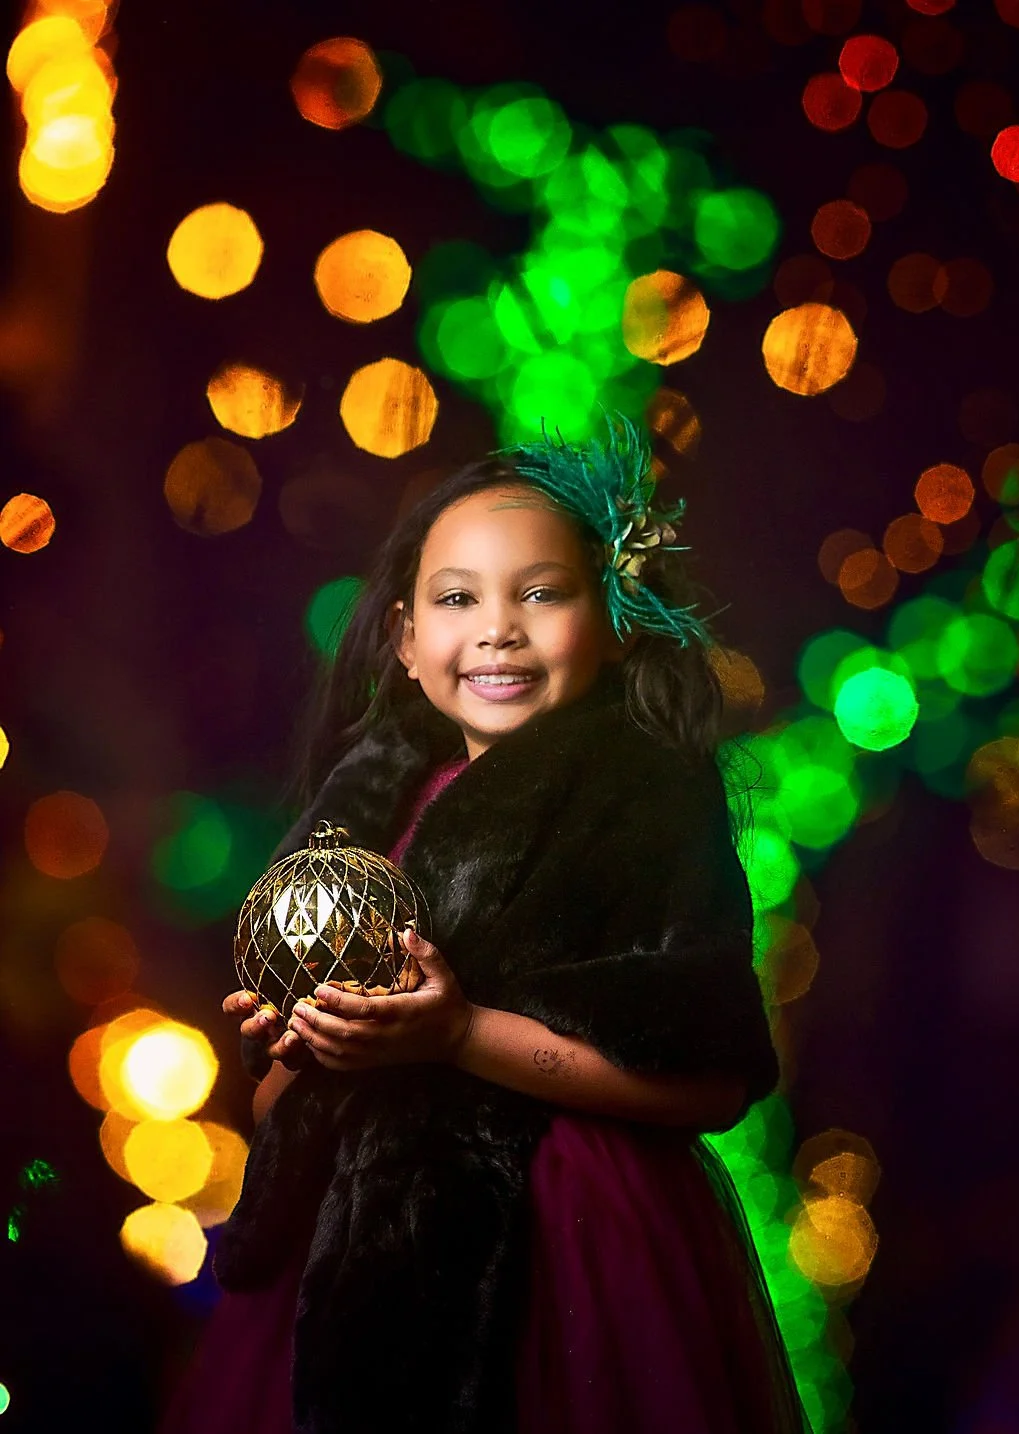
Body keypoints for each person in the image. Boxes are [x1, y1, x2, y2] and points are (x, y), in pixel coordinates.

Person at [164, 415, 806, 1434]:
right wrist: (305, 1045)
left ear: (611, 618)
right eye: (457, 598)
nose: (497, 628)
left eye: (540, 593)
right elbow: (278, 1103)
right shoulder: (361, 813)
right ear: (408, 641)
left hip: (569, 1239)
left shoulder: (645, 799)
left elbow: (713, 1076)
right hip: (352, 1237)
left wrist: (458, 1036)